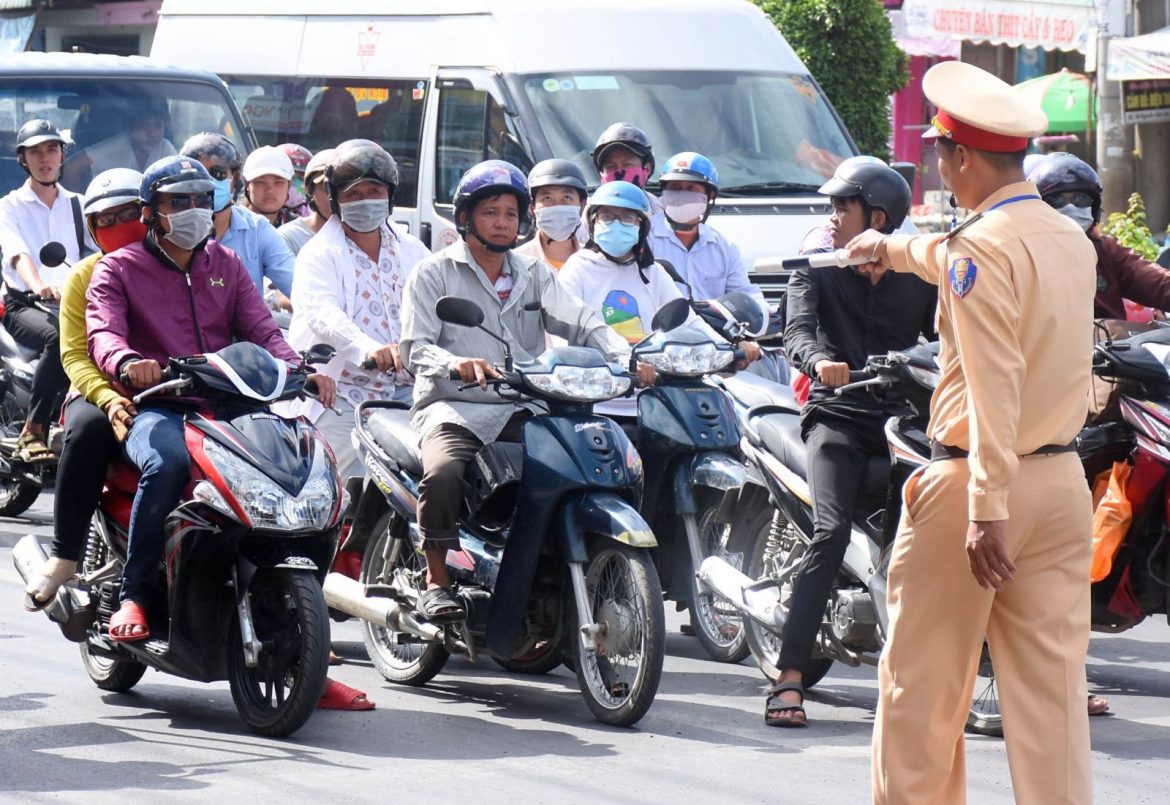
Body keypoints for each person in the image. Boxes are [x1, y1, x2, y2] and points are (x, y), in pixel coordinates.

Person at [844, 61, 1095, 803]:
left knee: (920, 693)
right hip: (1060, 482)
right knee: (1051, 705)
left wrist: (987, 507)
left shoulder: (979, 249)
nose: (940, 171)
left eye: (940, 157)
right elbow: (950, 252)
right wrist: (888, 250)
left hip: (979, 492)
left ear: (959, 157)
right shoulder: (1064, 236)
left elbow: (993, 384)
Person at [85, 155, 336, 642]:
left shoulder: (227, 262)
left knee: (300, 469)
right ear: (149, 211)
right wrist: (127, 362)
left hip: (232, 406)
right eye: (178, 202)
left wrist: (301, 370)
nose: (194, 210)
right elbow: (102, 335)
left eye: (202, 200)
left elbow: (263, 330)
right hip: (160, 406)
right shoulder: (118, 269)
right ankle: (134, 593)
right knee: (167, 466)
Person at [399, 160, 632, 621]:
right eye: (490, 212)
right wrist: (455, 363)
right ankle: (436, 578)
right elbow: (415, 348)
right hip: (453, 405)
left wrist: (623, 354)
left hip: (520, 404)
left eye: (510, 212)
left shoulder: (533, 273)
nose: (502, 222)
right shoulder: (433, 272)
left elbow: (581, 319)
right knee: (444, 472)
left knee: (572, 466)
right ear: (466, 217)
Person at [769, 160, 934, 727]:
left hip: (903, 420)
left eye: (843, 207)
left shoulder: (921, 274)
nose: (832, 217)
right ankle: (790, 676)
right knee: (831, 530)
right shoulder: (815, 267)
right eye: (833, 206)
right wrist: (819, 362)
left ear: (878, 218)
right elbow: (797, 331)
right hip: (836, 417)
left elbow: (947, 337)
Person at [22, 168, 144, 611]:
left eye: (129, 214)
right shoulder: (85, 275)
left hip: (174, 391)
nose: (119, 226)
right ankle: (64, 554)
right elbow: (75, 355)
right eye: (105, 220)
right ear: (92, 229)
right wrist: (110, 396)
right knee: (88, 430)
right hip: (99, 389)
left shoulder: (180, 264)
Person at [290, 139, 428, 480]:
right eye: (352, 194)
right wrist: (367, 348)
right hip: (343, 394)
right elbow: (323, 314)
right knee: (333, 486)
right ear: (335, 200)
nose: (365, 201)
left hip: (411, 392)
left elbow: (440, 309)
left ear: (390, 196)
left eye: (374, 190)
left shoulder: (414, 251)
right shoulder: (319, 253)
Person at [0, 119, 97, 462]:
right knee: (60, 339)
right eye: (36, 152)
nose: (45, 158)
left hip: (71, 301)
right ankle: (34, 429)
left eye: (52, 150)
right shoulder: (9, 205)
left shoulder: (79, 204)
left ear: (62, 156)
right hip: (23, 304)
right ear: (23, 159)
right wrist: (39, 285)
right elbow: (18, 254)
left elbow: (102, 251)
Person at [1028, 152, 1170, 319]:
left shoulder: (1105, 250)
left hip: (1113, 343)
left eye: (1081, 200)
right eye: (1057, 201)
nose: (1070, 208)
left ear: (1094, 208)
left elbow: (1155, 282)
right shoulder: (1026, 256)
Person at [178, 133, 294, 306]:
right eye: (199, 174)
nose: (209, 182)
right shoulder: (170, 229)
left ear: (234, 179)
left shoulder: (258, 230)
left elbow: (299, 286)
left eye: (217, 173)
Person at [646, 151, 763, 307]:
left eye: (691, 188)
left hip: (712, 330)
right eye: (675, 187)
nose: (682, 194)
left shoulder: (725, 247)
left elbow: (744, 294)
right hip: (656, 329)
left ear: (710, 196)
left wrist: (763, 310)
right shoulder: (644, 236)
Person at [63, 100, 176, 188]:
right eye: (145, 125)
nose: (152, 133)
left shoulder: (165, 148)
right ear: (131, 127)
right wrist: (77, 208)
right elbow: (71, 167)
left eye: (158, 125)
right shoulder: (116, 145)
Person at [514, 159, 587, 270]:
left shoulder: (595, 264)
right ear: (532, 208)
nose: (557, 206)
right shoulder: (516, 264)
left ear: (582, 206)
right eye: (547, 198)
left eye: (567, 197)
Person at [592, 122, 663, 214]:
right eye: (611, 166)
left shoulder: (665, 215)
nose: (619, 171)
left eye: (627, 164)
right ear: (601, 173)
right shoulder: (586, 217)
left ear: (647, 169)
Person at [278, 148, 335, 256]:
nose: (332, 196)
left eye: (340, 187)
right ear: (310, 188)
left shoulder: (364, 235)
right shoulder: (289, 236)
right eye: (325, 188)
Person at [241, 145, 295, 227]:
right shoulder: (226, 224)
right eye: (260, 182)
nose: (270, 190)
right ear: (247, 185)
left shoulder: (298, 232)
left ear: (289, 185)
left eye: (278, 182)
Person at [278, 142, 314, 221]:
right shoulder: (261, 215)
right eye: (289, 177)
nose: (293, 184)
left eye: (300, 179)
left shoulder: (311, 218)